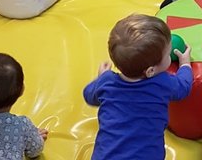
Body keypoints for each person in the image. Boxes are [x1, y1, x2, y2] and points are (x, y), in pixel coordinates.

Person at [83, 14, 193, 160]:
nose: (169, 56)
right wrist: (185, 64)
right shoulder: (162, 83)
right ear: (150, 71)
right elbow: (183, 87)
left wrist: (101, 78)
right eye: (167, 54)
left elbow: (88, 95)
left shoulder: (107, 83)